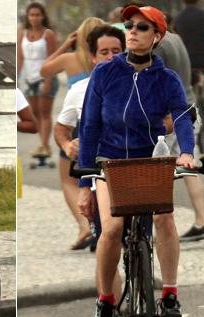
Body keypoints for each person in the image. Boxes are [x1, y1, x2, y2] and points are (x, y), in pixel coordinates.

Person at [77, 5, 196, 317]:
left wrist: (185, 151)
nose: (132, 30)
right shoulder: (104, 74)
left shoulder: (166, 79)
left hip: (148, 161)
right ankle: (105, 301)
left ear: (156, 36)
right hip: (110, 163)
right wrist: (85, 183)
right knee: (111, 229)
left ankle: (170, 294)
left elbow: (183, 116)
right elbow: (89, 127)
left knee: (165, 220)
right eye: (128, 25)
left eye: (142, 27)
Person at [53, 25, 124, 251]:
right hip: (99, 169)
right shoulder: (79, 90)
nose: (111, 57)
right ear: (93, 57)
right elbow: (60, 128)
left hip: (134, 167)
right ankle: (108, 285)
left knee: (155, 223)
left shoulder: (141, 84)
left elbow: (167, 118)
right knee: (107, 238)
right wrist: (66, 144)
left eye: (116, 51)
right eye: (104, 52)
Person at [156, 13, 204, 242]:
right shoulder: (177, 39)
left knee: (158, 166)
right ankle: (202, 219)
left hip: (170, 112)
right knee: (190, 165)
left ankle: (161, 222)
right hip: (189, 107)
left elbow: (157, 81)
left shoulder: (159, 46)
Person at [17, 2, 59, 159]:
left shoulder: (48, 34)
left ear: (42, 16)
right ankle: (43, 144)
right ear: (27, 17)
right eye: (31, 15)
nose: (34, 18)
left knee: (44, 113)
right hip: (28, 78)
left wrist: (48, 79)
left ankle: (44, 145)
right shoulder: (23, 33)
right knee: (34, 114)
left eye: (37, 14)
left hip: (44, 77)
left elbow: (52, 57)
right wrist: (16, 77)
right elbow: (20, 57)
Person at [173, 0, 204, 114]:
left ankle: (187, 102)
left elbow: (175, 38)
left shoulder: (178, 18)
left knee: (186, 81)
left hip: (186, 59)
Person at [40, 17, 106, 89]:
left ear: (80, 35)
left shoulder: (68, 59)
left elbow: (43, 71)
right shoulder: (110, 58)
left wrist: (65, 45)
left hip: (76, 100)